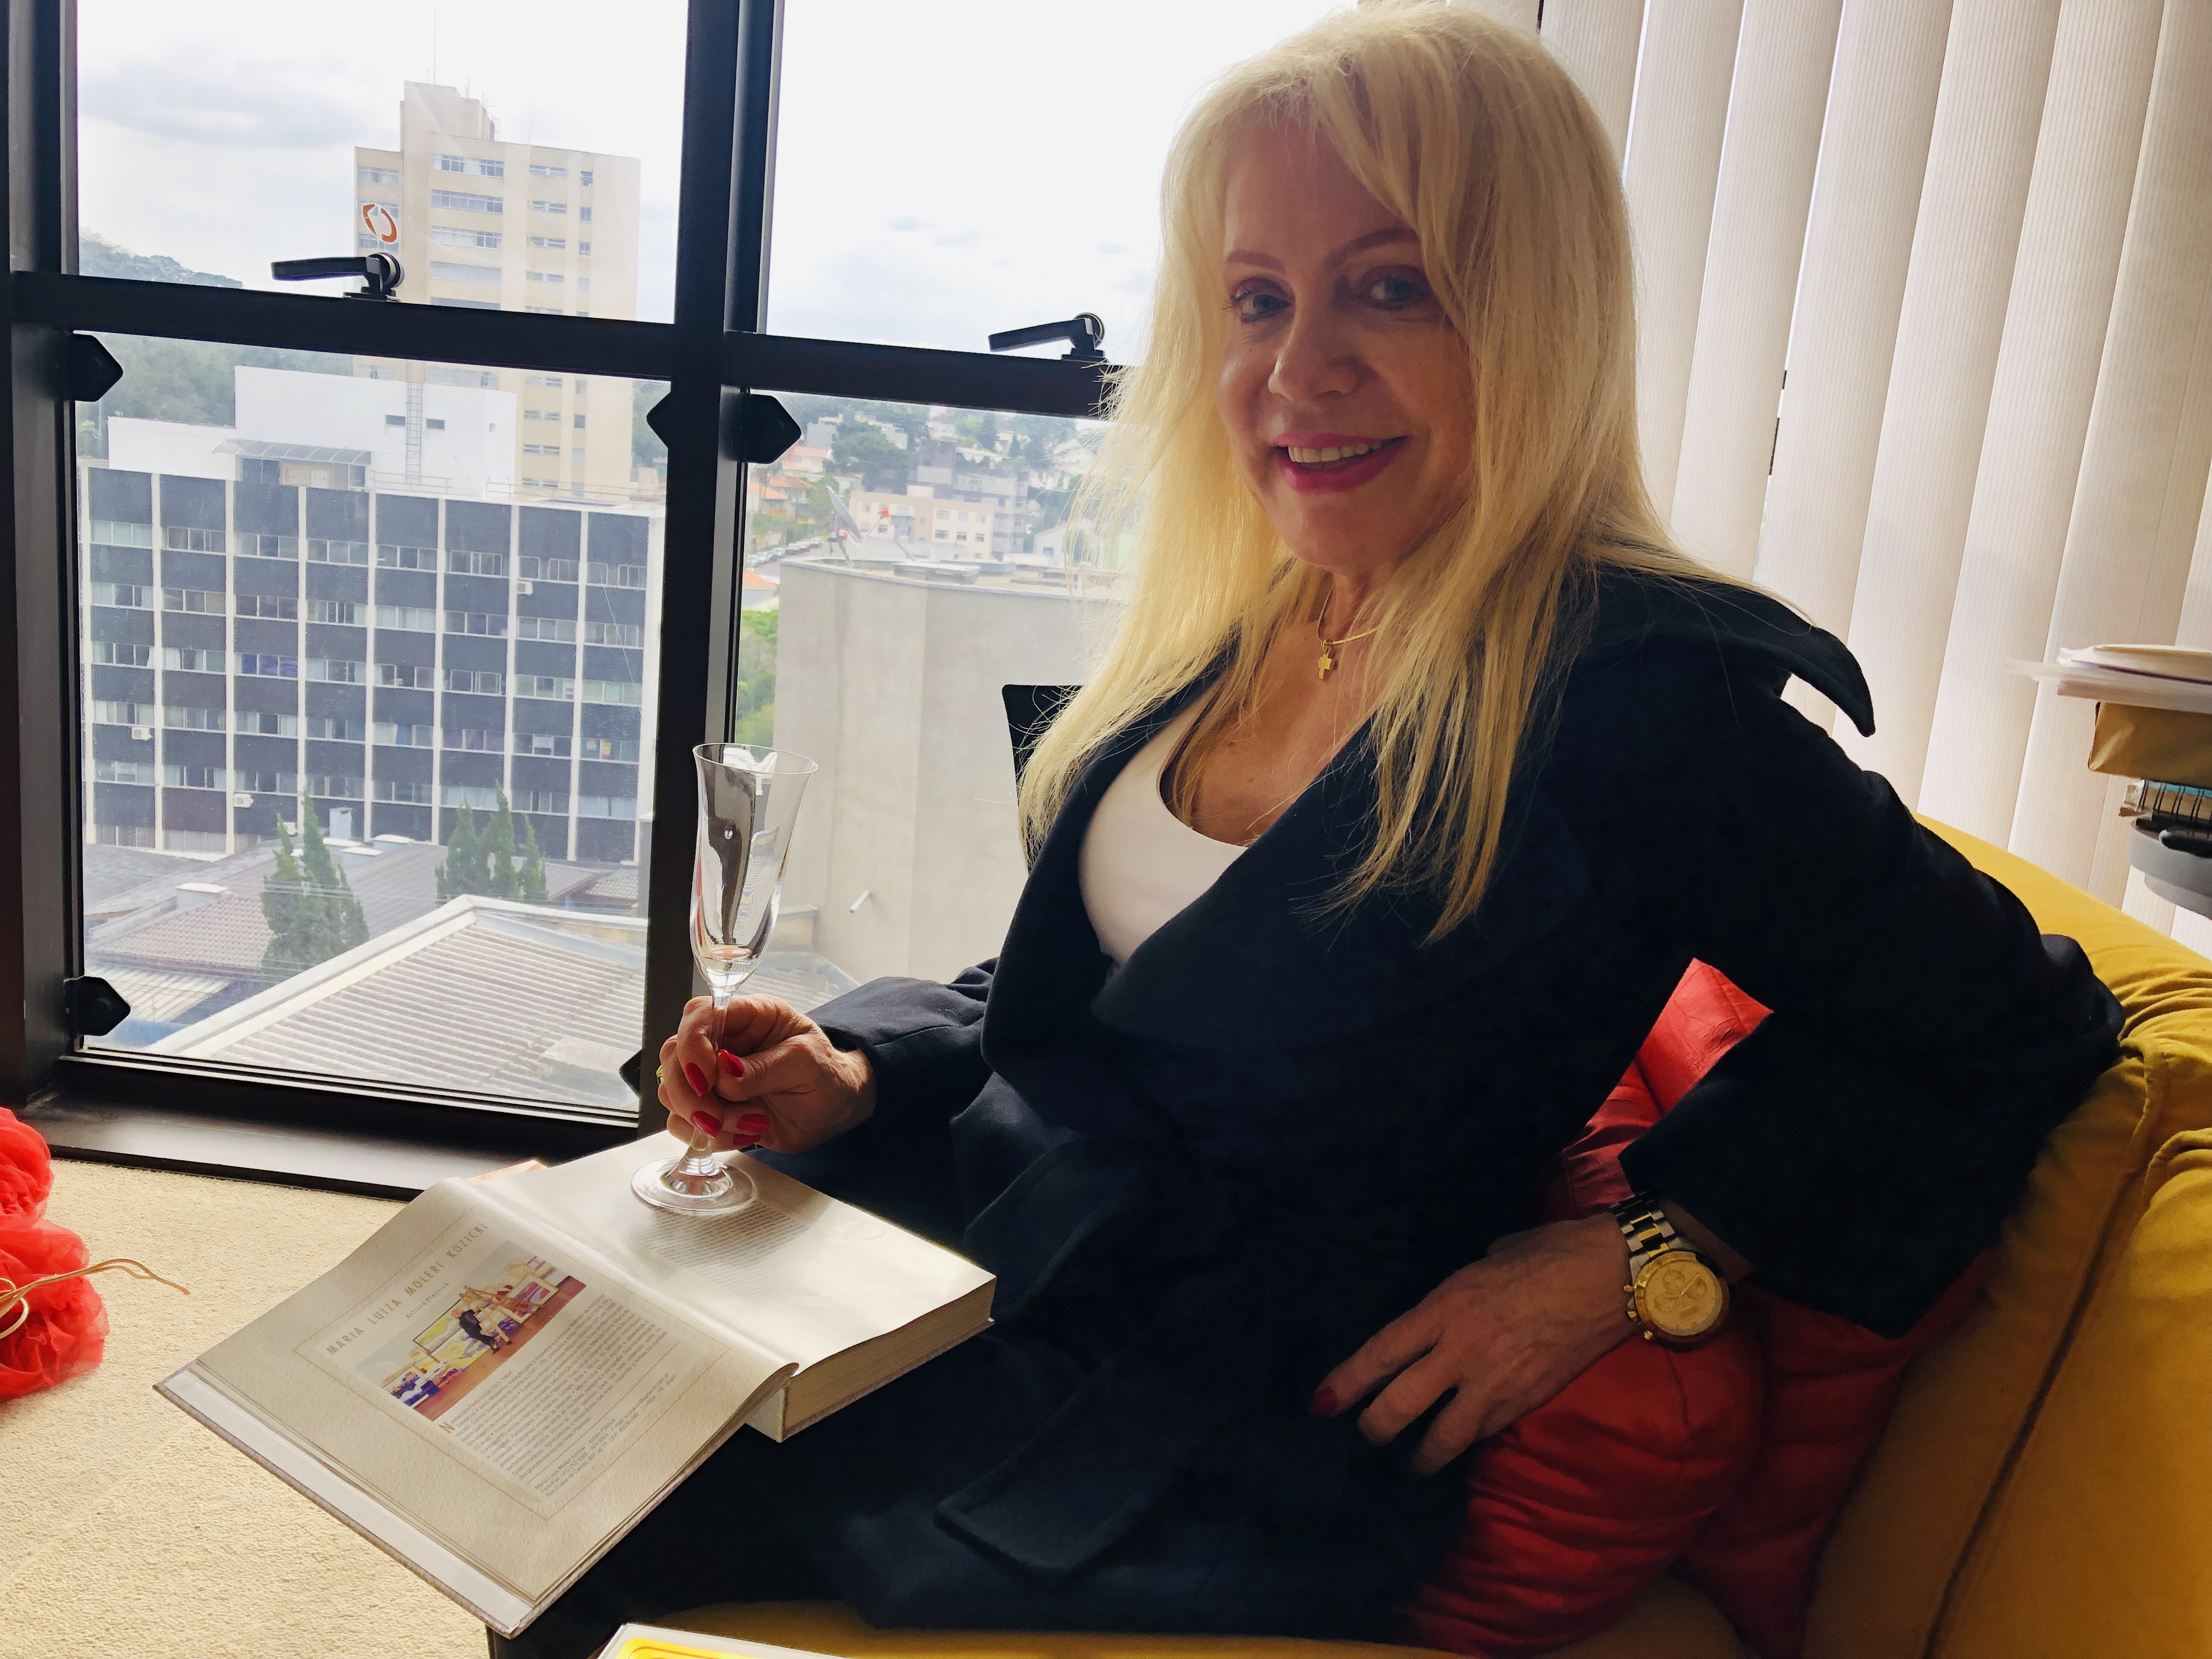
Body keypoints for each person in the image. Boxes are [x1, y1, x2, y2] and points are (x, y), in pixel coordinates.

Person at [493, 6, 2121, 1655]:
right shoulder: (1266, 606)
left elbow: (2016, 1015)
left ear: (1537, 320)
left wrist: (1649, 1250)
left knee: (580, 1502)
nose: (1297, 370)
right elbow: (1108, 997)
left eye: (1391, 288)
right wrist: (858, 1072)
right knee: (525, 1371)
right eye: (1258, 300)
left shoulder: (1642, 701)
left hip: (1196, 1407)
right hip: (973, 1241)